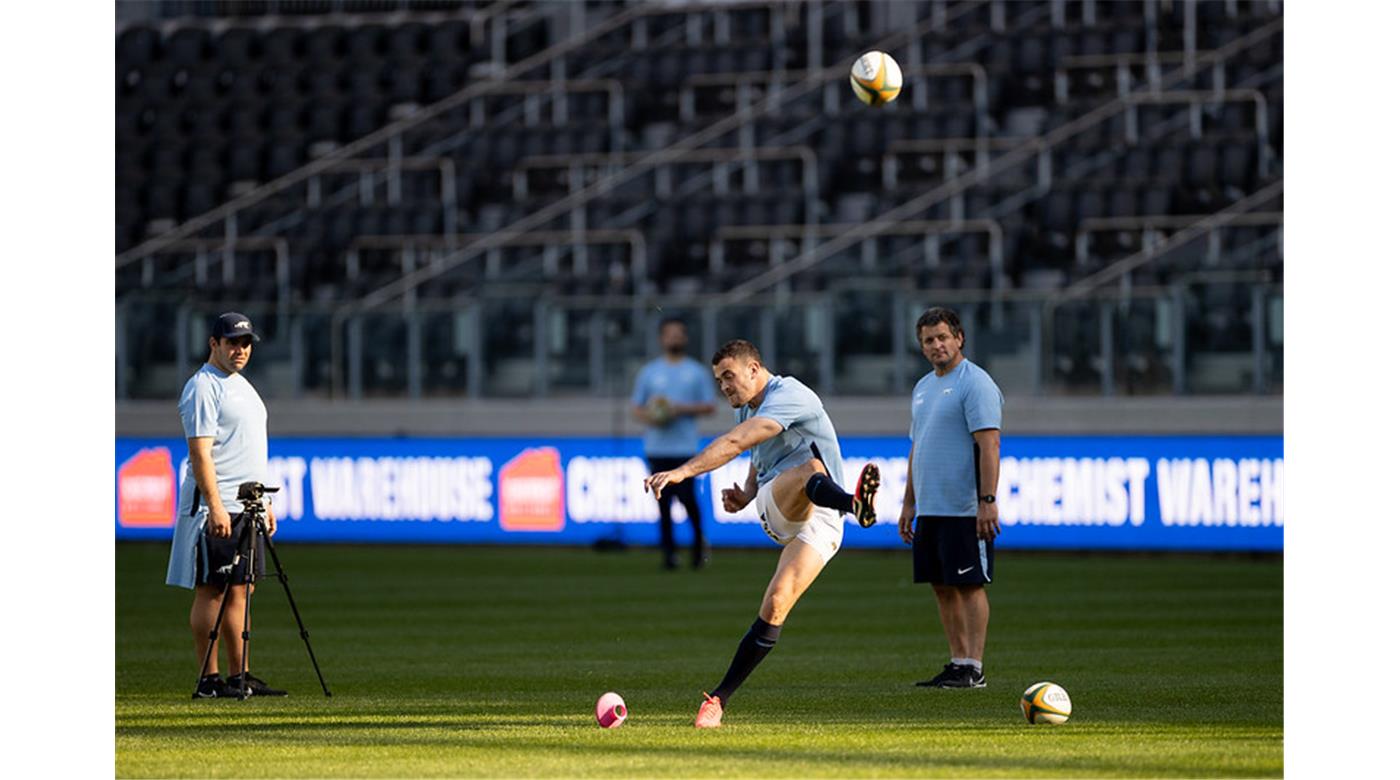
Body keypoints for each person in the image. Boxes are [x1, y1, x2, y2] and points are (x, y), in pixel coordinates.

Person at [644, 340, 881, 728]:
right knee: (810, 470)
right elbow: (753, 447)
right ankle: (855, 504)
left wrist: (685, 472)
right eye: (719, 380)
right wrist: (749, 492)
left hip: (824, 521)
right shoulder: (750, 407)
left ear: (754, 368)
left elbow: (741, 442)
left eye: (729, 377)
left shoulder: (790, 394)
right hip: (782, 505)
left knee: (776, 604)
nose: (724, 387)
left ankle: (717, 701)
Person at [166, 312, 287, 699]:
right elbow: (200, 453)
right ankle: (209, 679)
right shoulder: (203, 387)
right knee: (212, 590)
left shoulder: (242, 386)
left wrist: (263, 501)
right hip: (216, 505)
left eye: (246, 343)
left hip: (245, 504)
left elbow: (250, 450)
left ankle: (240, 676)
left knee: (241, 590)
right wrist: (216, 505)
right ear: (213, 343)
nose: (241, 349)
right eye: (233, 342)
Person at [897, 307, 1004, 689]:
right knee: (941, 585)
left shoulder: (975, 384)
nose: (936, 345)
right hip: (930, 506)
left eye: (943, 337)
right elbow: (917, 447)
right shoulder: (923, 387)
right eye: (928, 340)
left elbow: (989, 444)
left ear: (959, 338)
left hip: (964, 506)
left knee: (969, 584)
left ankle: (974, 666)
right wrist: (909, 503)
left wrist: (987, 500)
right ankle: (957, 662)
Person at [630, 318, 717, 569]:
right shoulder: (650, 372)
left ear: (685, 338)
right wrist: (653, 417)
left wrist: (679, 409)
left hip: (685, 449)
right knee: (663, 504)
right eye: (669, 335)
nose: (674, 339)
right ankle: (669, 555)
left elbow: (710, 405)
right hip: (657, 448)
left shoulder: (696, 371)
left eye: (678, 334)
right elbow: (637, 408)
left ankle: (698, 552)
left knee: (689, 501)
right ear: (661, 339)